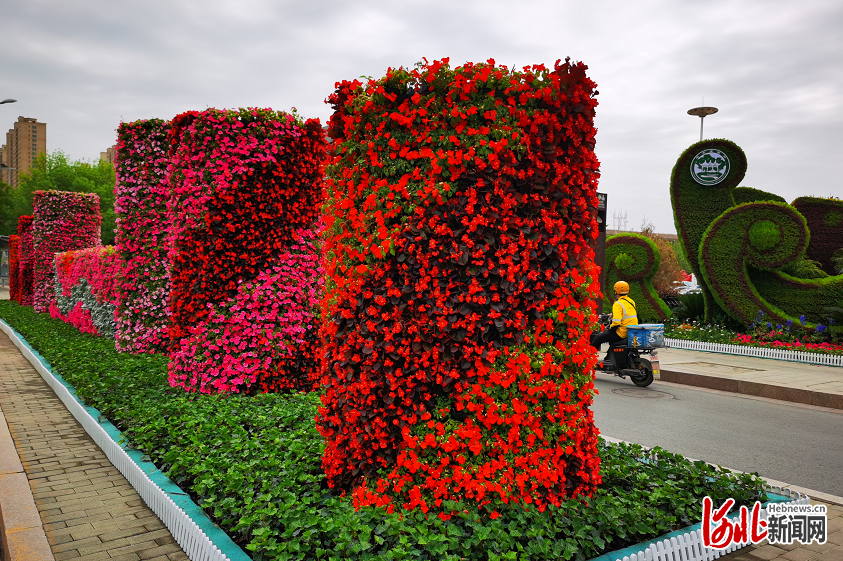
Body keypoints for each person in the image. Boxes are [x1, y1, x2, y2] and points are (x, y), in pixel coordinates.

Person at [591, 281, 638, 355]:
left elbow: (616, 323)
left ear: (616, 291)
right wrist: (613, 314)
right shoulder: (631, 302)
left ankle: (590, 358)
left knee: (598, 338)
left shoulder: (617, 304)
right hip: (631, 331)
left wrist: (610, 328)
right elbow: (627, 312)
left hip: (622, 333)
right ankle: (609, 357)